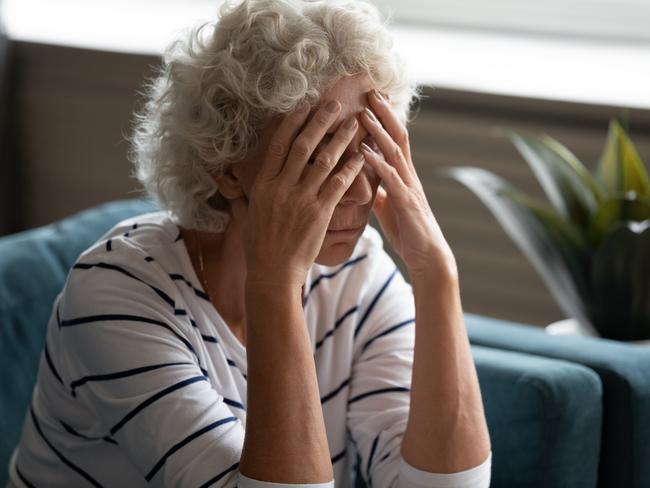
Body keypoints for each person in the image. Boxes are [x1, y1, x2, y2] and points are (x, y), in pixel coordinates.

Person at [7, 0, 492, 486]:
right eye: (323, 160)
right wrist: (277, 284)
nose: (363, 191)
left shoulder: (359, 276)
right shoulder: (116, 294)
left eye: (368, 150)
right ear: (227, 168)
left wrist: (436, 276)